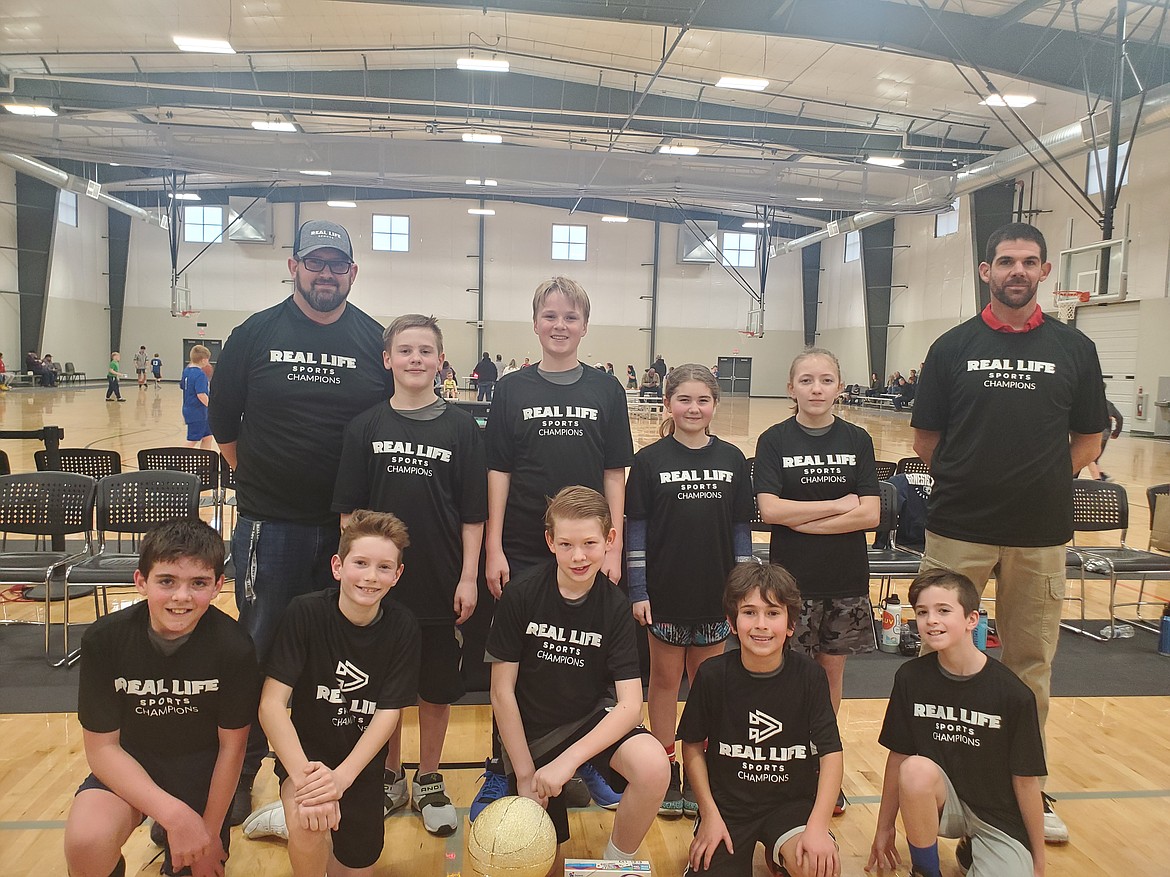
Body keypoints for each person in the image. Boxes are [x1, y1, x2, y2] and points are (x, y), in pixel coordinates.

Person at [911, 221, 1107, 845]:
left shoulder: (1075, 349)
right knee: (936, 655)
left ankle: (1025, 784)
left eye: (1028, 261)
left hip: (1041, 533)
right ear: (985, 272)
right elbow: (927, 442)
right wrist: (977, 480)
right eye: (1005, 261)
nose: (1016, 271)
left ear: (1046, 271)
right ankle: (936, 779)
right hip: (958, 530)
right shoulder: (951, 347)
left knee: (1029, 665)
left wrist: (1042, 481)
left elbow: (1089, 438)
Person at [208, 219, 393, 825]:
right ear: (293, 267)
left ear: (352, 273)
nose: (325, 273)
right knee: (260, 647)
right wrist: (265, 483)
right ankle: (242, 773)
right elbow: (227, 428)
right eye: (314, 263)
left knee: (336, 653)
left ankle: (318, 771)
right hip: (273, 523)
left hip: (351, 528)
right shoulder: (253, 334)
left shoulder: (373, 339)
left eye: (336, 265)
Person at [475, 275, 635, 817]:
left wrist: (613, 545)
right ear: (536, 322)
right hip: (524, 543)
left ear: (584, 326)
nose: (560, 326)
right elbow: (497, 469)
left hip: (587, 545)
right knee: (520, 665)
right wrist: (493, 546)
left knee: (582, 656)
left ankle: (582, 757)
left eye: (570, 317)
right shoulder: (514, 389)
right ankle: (502, 768)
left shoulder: (605, 390)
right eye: (550, 315)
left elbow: (616, 473)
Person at [333, 314, 487, 835]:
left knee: (435, 688)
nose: (415, 359)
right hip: (381, 586)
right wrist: (356, 578)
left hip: (441, 579)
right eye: (405, 350)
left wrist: (469, 576)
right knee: (385, 688)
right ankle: (389, 775)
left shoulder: (462, 428)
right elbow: (350, 514)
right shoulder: (366, 426)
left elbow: (473, 514)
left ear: (441, 360)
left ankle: (428, 777)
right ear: (387, 359)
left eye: (426, 350)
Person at [64, 519, 260, 877]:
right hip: (132, 761)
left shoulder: (234, 648)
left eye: (198, 583)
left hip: (202, 769)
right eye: (167, 581)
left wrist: (210, 833)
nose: (181, 597)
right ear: (141, 582)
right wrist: (176, 815)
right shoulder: (105, 640)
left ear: (218, 586)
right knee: (86, 841)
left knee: (199, 867)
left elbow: (233, 748)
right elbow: (102, 749)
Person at [487, 486, 669, 865]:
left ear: (610, 539)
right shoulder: (521, 595)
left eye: (589, 542)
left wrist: (568, 762)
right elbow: (502, 693)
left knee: (653, 765)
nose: (579, 556)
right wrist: (524, 774)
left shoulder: (615, 607)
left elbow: (631, 706)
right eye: (566, 544)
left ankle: (614, 865)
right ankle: (519, 785)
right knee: (536, 861)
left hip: (587, 720)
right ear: (550, 541)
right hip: (533, 732)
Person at [258, 510, 421, 877]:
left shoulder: (403, 627)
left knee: (356, 865)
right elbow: (270, 705)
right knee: (308, 823)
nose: (370, 576)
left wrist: (341, 779)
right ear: (337, 566)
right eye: (360, 563)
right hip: (305, 761)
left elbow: (388, 714)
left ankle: (285, 815)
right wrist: (307, 783)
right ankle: (289, 814)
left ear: (397, 575)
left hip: (359, 768)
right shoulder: (305, 613)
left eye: (383, 567)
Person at [753, 346, 880, 815]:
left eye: (826, 380)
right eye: (806, 381)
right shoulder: (774, 440)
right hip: (790, 584)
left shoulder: (858, 439)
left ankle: (821, 763)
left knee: (830, 675)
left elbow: (870, 513)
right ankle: (785, 764)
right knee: (787, 673)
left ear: (839, 387)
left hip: (844, 580)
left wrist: (801, 518)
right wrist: (837, 505)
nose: (816, 388)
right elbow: (769, 511)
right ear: (791, 389)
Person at [625, 364, 753, 818]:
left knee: (705, 687)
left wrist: (744, 594)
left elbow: (741, 534)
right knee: (663, 682)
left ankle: (702, 768)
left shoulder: (734, 460)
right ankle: (667, 767)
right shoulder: (649, 461)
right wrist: (638, 590)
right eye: (684, 399)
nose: (693, 408)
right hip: (664, 595)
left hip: (716, 597)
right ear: (668, 404)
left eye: (703, 400)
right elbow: (635, 533)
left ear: (715, 405)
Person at [866, 568, 1046, 877]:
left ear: (972, 620)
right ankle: (925, 870)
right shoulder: (910, 678)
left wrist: (1038, 861)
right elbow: (898, 757)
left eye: (943, 610)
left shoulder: (1014, 695)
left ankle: (975, 849)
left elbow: (1026, 781)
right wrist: (884, 828)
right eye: (922, 612)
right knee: (914, 770)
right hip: (945, 802)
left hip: (997, 816)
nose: (931, 620)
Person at [679, 561, 842, 877]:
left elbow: (831, 754)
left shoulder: (810, 677)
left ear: (791, 624)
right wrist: (710, 815)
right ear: (731, 621)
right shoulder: (713, 675)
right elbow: (693, 746)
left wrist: (818, 827)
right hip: (728, 809)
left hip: (791, 805)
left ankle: (781, 852)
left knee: (817, 867)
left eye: (773, 613)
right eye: (749, 612)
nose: (761, 624)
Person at [180, 345, 215, 450]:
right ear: (204, 360)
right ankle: (177, 460)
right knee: (192, 440)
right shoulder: (200, 374)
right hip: (197, 411)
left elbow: (182, 386)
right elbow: (201, 395)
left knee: (207, 437)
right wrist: (213, 407)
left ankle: (205, 462)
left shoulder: (186, 371)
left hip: (190, 409)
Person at [1084, 391, 1123, 481]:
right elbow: (1119, 418)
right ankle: (1101, 475)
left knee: (1090, 457)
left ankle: (1098, 479)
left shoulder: (1090, 404)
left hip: (1095, 433)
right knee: (1095, 456)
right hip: (1106, 434)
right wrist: (1116, 432)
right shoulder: (1108, 404)